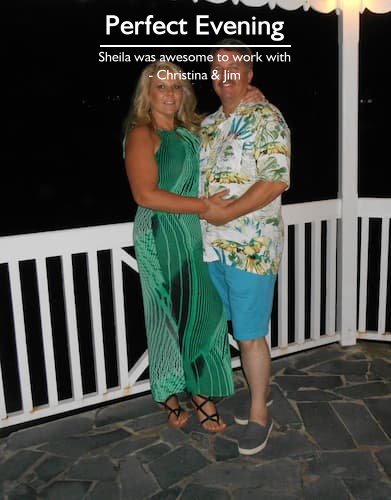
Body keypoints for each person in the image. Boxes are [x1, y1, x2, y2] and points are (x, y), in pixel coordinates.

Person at [124, 61, 235, 432]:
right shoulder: (143, 133)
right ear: (148, 94)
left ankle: (186, 388)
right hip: (160, 233)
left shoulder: (191, 129)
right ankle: (177, 393)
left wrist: (249, 94)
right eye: (161, 87)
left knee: (205, 312)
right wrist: (206, 207)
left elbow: (228, 117)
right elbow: (145, 194)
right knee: (169, 318)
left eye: (176, 87)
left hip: (191, 232)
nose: (170, 93)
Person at [200, 39, 291, 454]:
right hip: (213, 247)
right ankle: (261, 389)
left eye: (234, 65)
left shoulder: (267, 117)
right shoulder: (210, 124)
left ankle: (259, 413)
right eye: (218, 67)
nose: (226, 73)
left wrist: (227, 213)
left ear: (249, 74)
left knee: (251, 335)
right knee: (239, 330)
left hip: (250, 247)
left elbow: (275, 181)